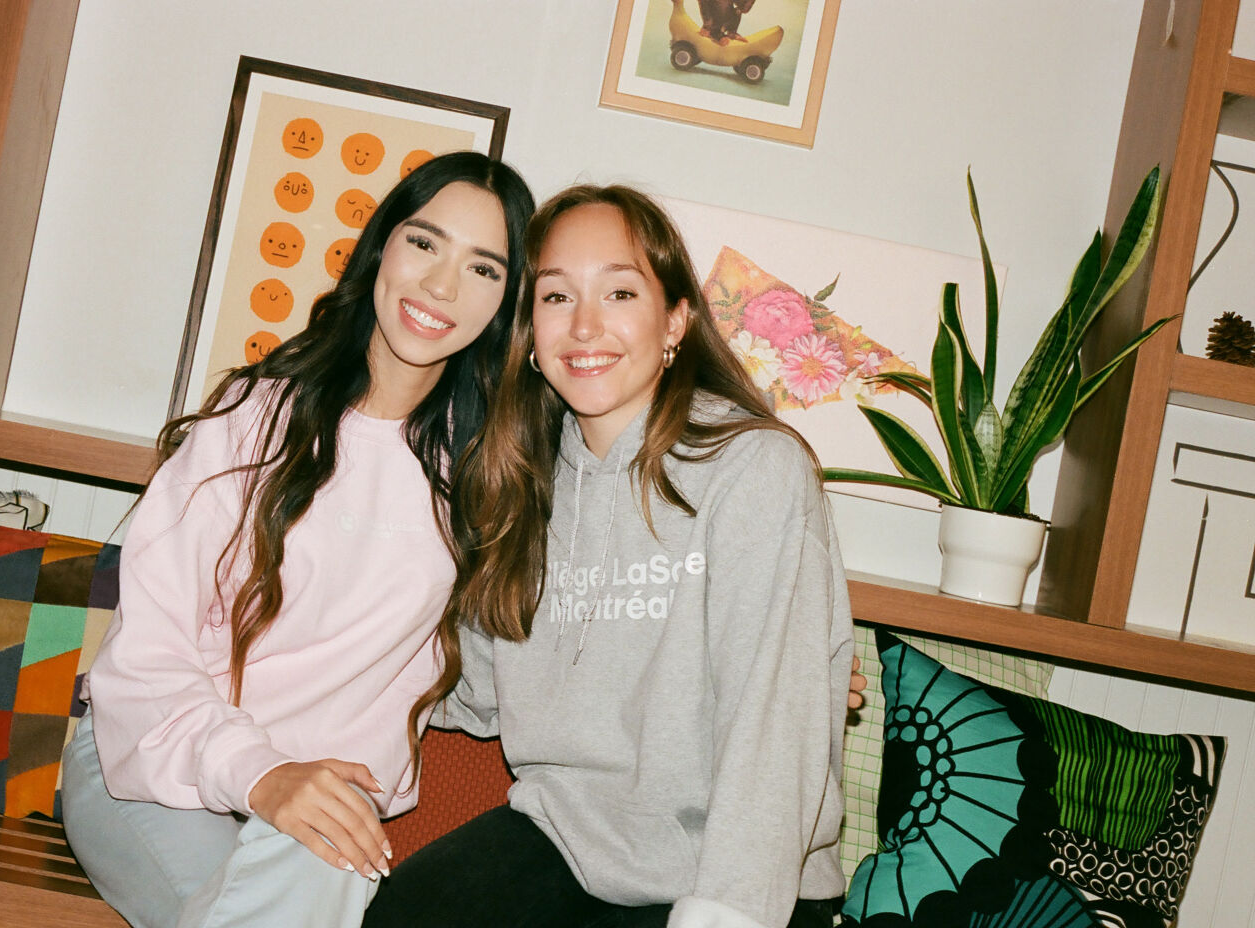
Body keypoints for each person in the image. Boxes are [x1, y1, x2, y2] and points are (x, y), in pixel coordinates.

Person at [59, 151, 534, 928]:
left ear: (506, 302)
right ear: (381, 248)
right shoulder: (252, 421)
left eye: (483, 269)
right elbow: (145, 657)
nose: (442, 286)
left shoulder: (487, 479)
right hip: (158, 765)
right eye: (424, 243)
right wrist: (263, 773)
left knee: (328, 847)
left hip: (331, 810)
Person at [364, 184, 854, 928]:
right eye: (557, 297)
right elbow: (467, 686)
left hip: (730, 868)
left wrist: (728, 911)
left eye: (620, 292)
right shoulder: (518, 482)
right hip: (566, 836)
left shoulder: (755, 467)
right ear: (530, 332)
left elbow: (772, 723)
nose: (585, 325)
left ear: (676, 320)